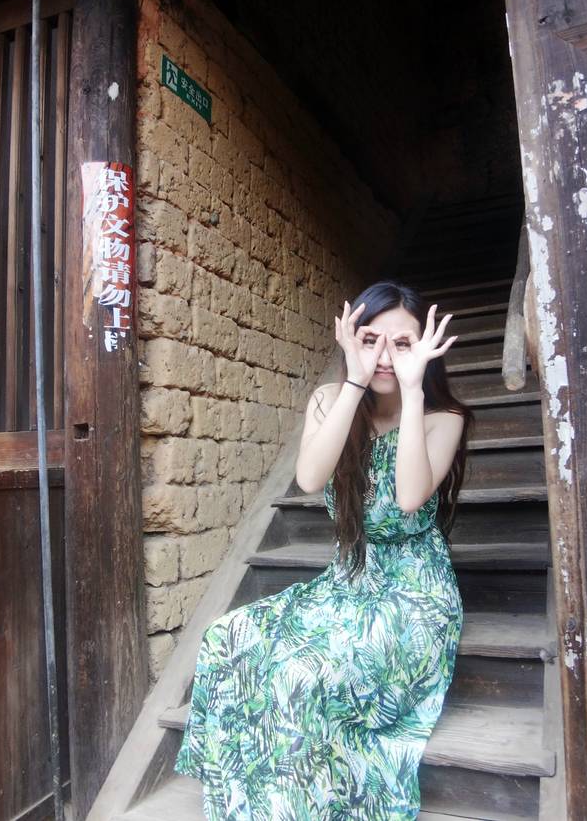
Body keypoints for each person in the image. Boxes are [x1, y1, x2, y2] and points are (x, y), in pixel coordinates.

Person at [174, 279, 474, 820]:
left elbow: (410, 498)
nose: (385, 356)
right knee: (225, 636)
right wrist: (354, 383)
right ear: (351, 340)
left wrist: (412, 393)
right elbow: (311, 479)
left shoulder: (442, 418)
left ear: (425, 349)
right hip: (348, 581)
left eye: (402, 343)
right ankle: (245, 801)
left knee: (302, 675)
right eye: (370, 339)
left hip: (412, 596)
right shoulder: (329, 400)